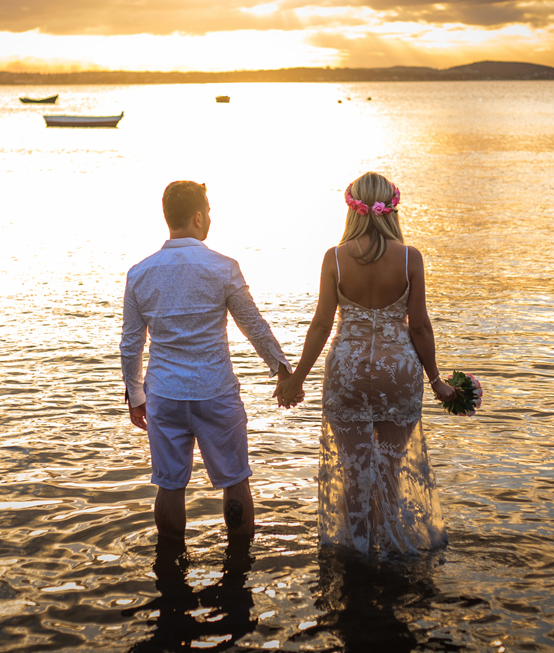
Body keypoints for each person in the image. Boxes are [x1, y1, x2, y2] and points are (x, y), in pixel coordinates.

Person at [276, 172, 454, 554]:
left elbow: (321, 325)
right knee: (389, 471)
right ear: (391, 208)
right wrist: (436, 380)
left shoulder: (335, 258)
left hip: (348, 372)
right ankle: (390, 553)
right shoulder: (410, 258)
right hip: (398, 372)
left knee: (353, 473)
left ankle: (354, 554)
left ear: (352, 209)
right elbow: (419, 326)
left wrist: (296, 379)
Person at [122, 181, 292, 540]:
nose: (210, 218)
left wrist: (136, 395)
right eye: (209, 212)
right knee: (235, 481)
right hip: (216, 393)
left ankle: (170, 563)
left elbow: (131, 343)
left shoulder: (139, 273)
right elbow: (253, 325)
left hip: (164, 396)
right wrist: (282, 370)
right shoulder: (223, 268)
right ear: (198, 217)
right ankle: (239, 561)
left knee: (169, 485)